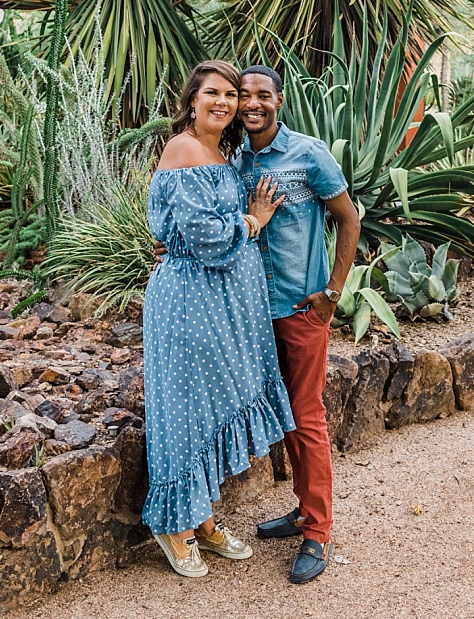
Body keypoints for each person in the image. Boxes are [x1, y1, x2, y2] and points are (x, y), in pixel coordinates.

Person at [143, 60, 296, 579]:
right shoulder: (185, 148)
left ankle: (200, 517)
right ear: (192, 99)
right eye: (213, 92)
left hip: (218, 305)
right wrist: (254, 219)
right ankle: (174, 526)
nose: (224, 102)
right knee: (186, 411)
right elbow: (206, 239)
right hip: (191, 303)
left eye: (230, 94)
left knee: (205, 409)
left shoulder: (219, 152)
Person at [233, 65, 361, 585]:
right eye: (244, 95)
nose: (252, 103)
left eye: (262, 94)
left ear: (279, 100)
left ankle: (318, 532)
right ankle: (302, 510)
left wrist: (332, 293)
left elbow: (349, 219)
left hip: (300, 312)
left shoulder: (308, 153)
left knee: (306, 417)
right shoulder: (232, 158)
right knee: (279, 413)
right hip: (249, 313)